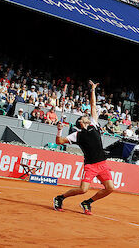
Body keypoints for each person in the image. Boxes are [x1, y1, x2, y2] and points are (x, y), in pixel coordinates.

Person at [53, 80, 114, 215]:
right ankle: (60, 198)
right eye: (84, 117)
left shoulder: (94, 124)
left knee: (110, 188)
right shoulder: (77, 135)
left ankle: (87, 202)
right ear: (80, 122)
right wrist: (59, 130)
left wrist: (92, 90)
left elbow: (93, 105)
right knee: (83, 189)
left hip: (102, 163)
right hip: (91, 165)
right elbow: (59, 141)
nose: (87, 117)